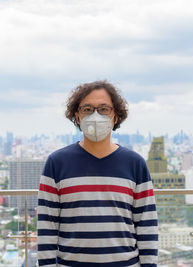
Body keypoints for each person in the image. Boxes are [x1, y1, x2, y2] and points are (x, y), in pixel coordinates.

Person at [37, 81, 158, 267]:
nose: (95, 115)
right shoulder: (56, 163)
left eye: (103, 109)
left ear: (115, 116)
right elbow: (47, 226)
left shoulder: (135, 164)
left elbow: (146, 225)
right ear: (76, 115)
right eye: (87, 109)